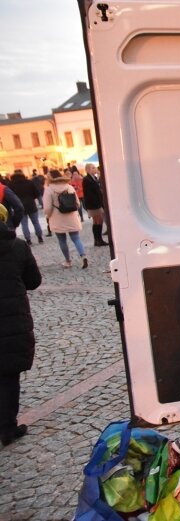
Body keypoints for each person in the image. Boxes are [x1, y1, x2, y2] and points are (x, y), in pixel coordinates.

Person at [0, 202, 42, 446]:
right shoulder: (17, 246)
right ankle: (7, 427)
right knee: (8, 375)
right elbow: (33, 280)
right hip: (12, 319)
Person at [44, 170, 88, 269]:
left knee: (62, 240)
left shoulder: (49, 189)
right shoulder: (69, 187)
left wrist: (49, 215)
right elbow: (78, 203)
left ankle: (68, 261)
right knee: (76, 238)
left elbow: (47, 208)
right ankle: (83, 256)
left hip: (57, 218)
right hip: (71, 216)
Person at [8, 171, 44, 245]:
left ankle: (28, 240)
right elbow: (36, 194)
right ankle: (40, 237)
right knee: (36, 222)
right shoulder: (29, 182)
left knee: (24, 224)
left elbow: (10, 197)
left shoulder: (11, 185)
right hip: (31, 205)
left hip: (19, 207)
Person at [82, 163, 109, 247]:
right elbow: (89, 193)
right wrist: (97, 202)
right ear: (88, 170)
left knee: (98, 221)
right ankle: (98, 239)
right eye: (92, 168)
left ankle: (98, 239)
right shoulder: (87, 179)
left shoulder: (94, 178)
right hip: (93, 204)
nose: (95, 169)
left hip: (97, 203)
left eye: (94, 168)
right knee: (97, 220)